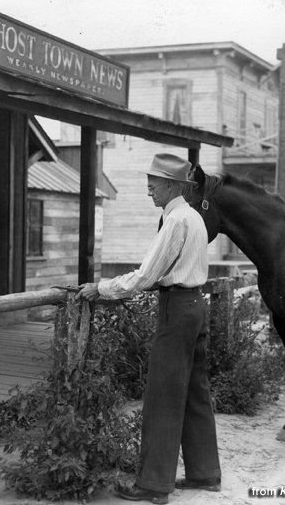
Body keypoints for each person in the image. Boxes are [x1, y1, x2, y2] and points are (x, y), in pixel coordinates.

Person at [76, 153, 221, 504]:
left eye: (153, 185)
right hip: (195, 304)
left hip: (177, 308)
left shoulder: (175, 221)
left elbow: (146, 275)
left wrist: (102, 288)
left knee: (162, 396)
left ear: (172, 186)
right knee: (194, 392)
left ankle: (153, 486)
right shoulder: (194, 217)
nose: (149, 191)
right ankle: (205, 474)